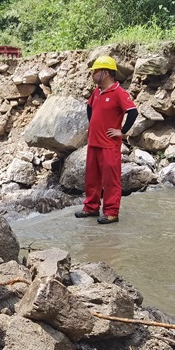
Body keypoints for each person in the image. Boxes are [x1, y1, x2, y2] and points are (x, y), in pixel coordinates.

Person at [76, 56, 137, 224]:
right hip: (94, 143)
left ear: (105, 73)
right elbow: (89, 108)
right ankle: (91, 207)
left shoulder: (119, 93)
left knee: (111, 180)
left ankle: (111, 212)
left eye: (95, 71)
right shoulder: (97, 92)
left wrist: (122, 131)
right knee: (91, 178)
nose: (93, 74)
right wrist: (94, 126)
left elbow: (132, 112)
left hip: (109, 145)